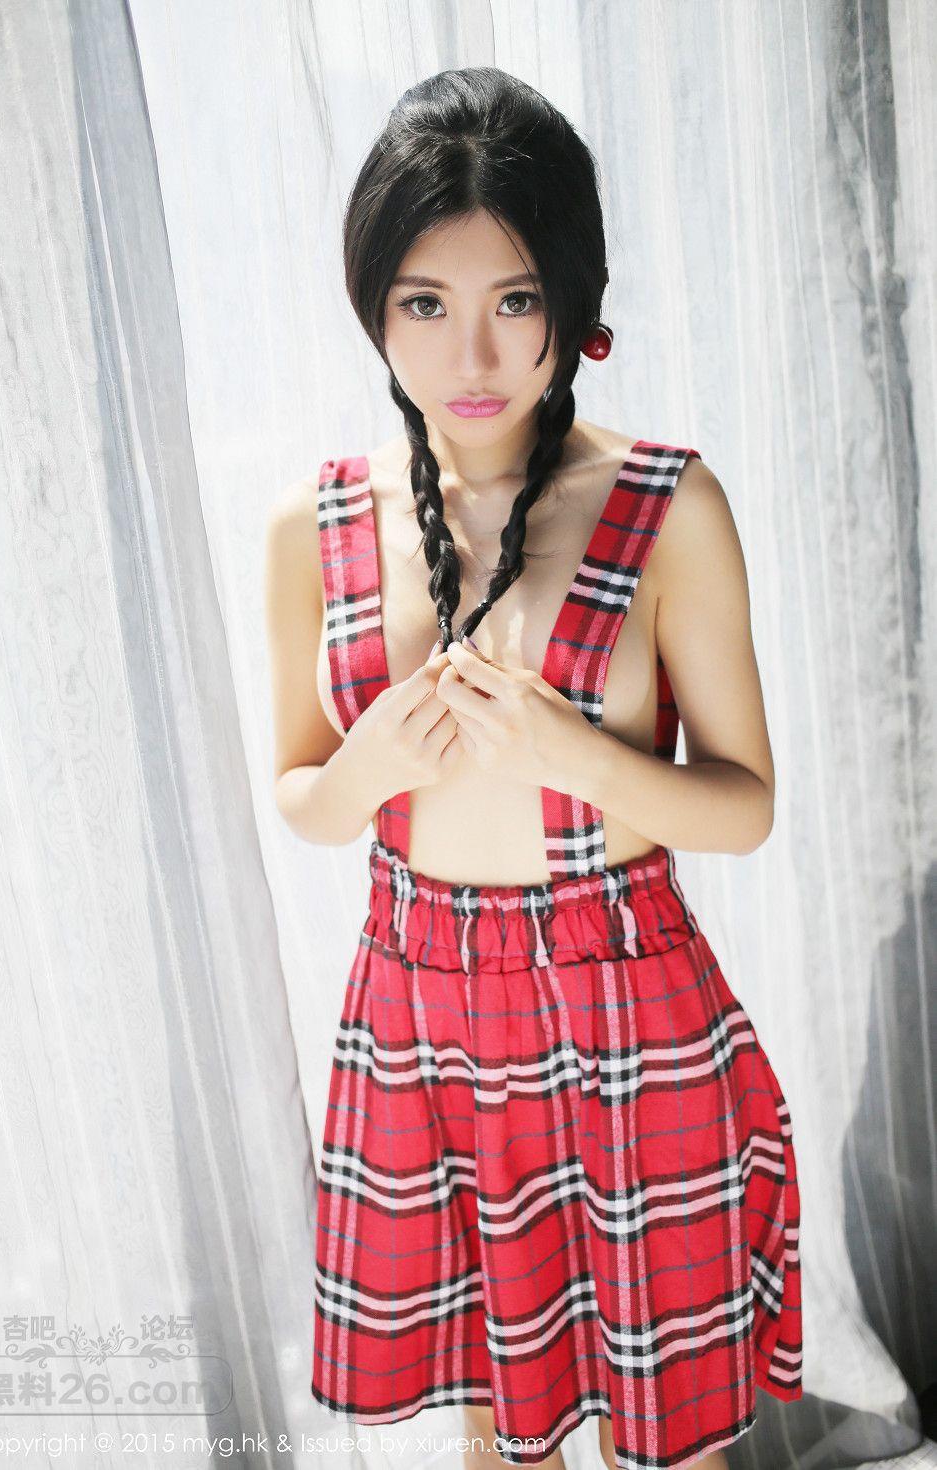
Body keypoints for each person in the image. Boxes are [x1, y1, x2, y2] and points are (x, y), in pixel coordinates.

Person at [265, 65, 802, 1470]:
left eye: (514, 300)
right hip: (418, 1012)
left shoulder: (666, 504)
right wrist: (374, 763)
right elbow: (303, 798)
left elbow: (745, 807)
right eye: (423, 305)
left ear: (572, 297)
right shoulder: (315, 526)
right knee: (496, 1434)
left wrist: (574, 752)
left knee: (668, 1434)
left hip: (625, 996)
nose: (473, 354)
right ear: (375, 310)